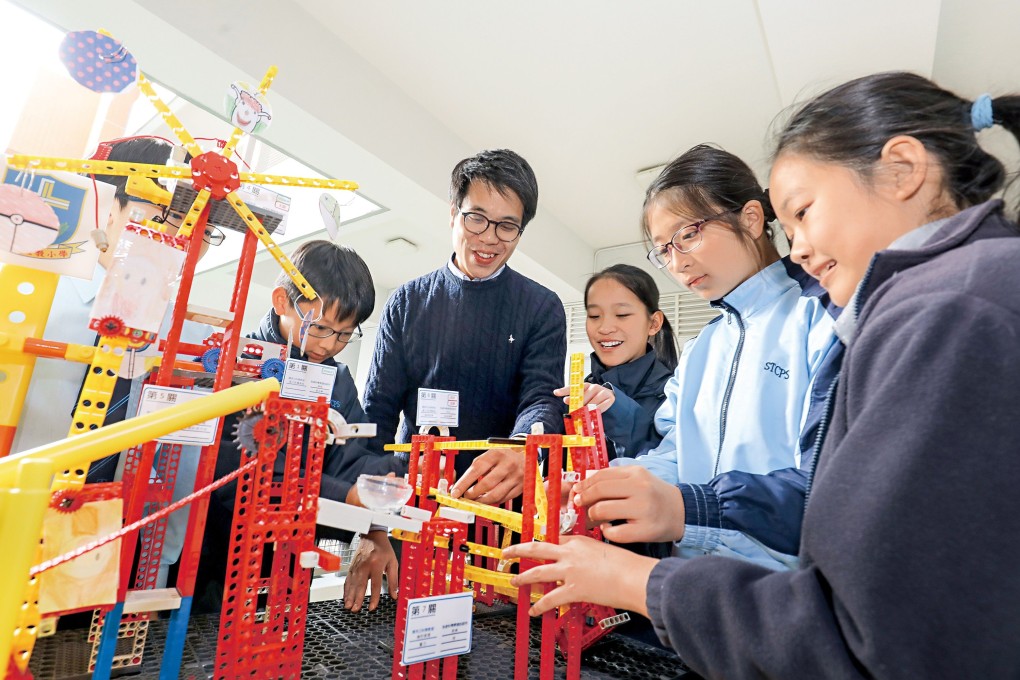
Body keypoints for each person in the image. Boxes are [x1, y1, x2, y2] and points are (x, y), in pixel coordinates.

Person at [505, 72, 1020, 678]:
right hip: (728, 613)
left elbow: (827, 506)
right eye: (663, 249)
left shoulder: (838, 313)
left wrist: (683, 511)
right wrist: (589, 479)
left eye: (688, 234)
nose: (678, 260)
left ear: (752, 219)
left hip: (779, 610)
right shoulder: (704, 347)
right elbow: (675, 450)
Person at [205, 239, 402, 612]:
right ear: (282, 301)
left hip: (294, 565)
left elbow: (353, 456)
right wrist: (347, 497)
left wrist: (382, 491)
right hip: (217, 562)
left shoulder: (337, 380)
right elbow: (242, 475)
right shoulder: (240, 368)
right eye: (321, 327)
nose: (329, 345)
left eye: (345, 335)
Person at [361, 148, 567, 506]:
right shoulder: (407, 302)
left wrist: (523, 449)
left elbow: (541, 398)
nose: (489, 238)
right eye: (477, 218)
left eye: (507, 226)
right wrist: (373, 520)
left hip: (501, 500)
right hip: (414, 500)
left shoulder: (541, 307)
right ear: (454, 213)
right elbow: (378, 413)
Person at [553, 264, 677, 460]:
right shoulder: (580, 393)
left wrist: (618, 409)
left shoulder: (676, 393)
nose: (605, 328)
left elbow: (675, 463)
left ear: (654, 324)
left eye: (622, 315)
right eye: (594, 316)